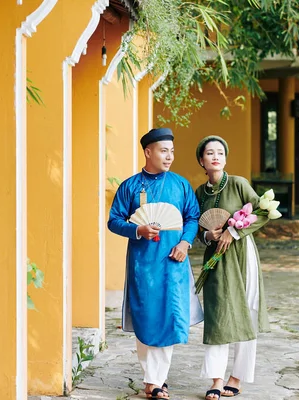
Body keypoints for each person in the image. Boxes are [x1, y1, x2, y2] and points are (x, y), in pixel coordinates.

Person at [108, 127, 203, 400]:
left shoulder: (181, 184)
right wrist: (137, 231)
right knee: (145, 316)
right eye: (164, 150)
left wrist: (185, 243)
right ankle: (153, 379)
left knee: (170, 316)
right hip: (143, 263)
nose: (169, 156)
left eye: (172, 151)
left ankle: (156, 381)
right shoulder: (130, 186)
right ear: (148, 152)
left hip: (173, 261)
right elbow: (114, 221)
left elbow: (192, 217)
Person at [194, 136, 271, 400]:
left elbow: (263, 213)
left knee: (246, 311)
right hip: (215, 259)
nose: (215, 156)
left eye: (220, 153)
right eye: (209, 153)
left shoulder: (239, 184)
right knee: (217, 316)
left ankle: (236, 377)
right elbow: (197, 230)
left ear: (225, 158)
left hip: (242, 255)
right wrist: (209, 237)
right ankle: (216, 379)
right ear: (202, 161)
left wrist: (234, 234)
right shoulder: (199, 193)